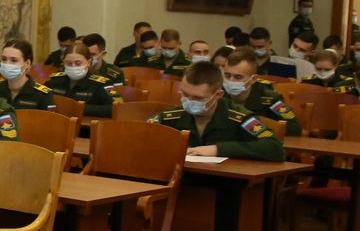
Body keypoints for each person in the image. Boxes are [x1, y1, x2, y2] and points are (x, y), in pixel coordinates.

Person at [150, 62, 284, 161]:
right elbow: (142, 135)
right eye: (185, 94)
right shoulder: (171, 116)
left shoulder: (239, 117)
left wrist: (218, 149)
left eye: (198, 98)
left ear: (218, 95)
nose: (189, 101)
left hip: (224, 183)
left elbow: (274, 148)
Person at [220, 47, 302, 136]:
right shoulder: (217, 94)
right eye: (227, 75)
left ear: (253, 79)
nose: (231, 81)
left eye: (238, 77)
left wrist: (254, 124)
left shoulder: (269, 98)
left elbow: (294, 128)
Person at [47, 43, 121, 117]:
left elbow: (118, 107)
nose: (73, 67)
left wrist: (79, 108)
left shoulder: (103, 84)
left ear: (88, 62)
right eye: (69, 63)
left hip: (87, 123)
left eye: (78, 63)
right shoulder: (55, 80)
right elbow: (42, 99)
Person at [0, 39, 56, 111]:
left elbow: (50, 117)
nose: (7, 64)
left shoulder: (43, 95)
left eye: (14, 60)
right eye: (4, 59)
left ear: (27, 63)